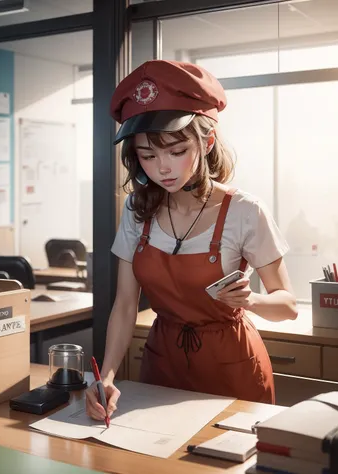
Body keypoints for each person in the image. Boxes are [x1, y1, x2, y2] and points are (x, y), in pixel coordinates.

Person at [85, 60, 298, 422]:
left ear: (207, 140)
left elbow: (288, 305)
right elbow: (124, 305)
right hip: (162, 363)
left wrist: (253, 299)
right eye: (147, 156)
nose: (162, 168)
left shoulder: (245, 211)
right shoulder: (138, 209)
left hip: (232, 367)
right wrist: (106, 376)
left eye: (176, 151)